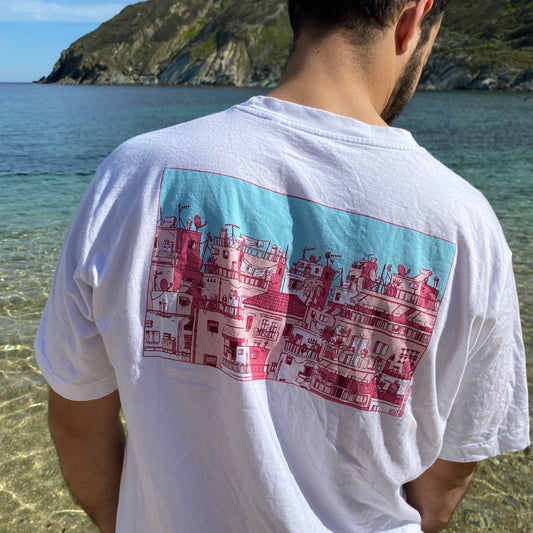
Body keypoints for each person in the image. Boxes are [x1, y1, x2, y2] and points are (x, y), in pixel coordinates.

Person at [35, 1, 530, 532]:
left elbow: (78, 422)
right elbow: (442, 484)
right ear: (414, 18)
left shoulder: (135, 176)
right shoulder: (466, 225)